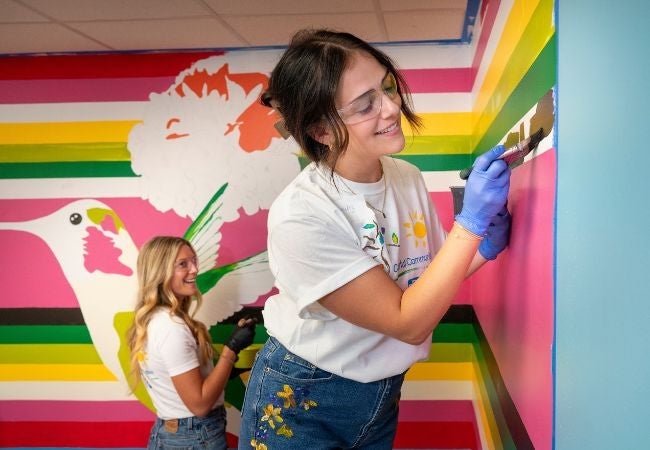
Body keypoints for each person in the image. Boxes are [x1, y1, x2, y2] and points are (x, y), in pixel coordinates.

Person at [239, 29, 512, 449]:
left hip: (381, 391)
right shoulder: (301, 216)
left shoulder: (406, 177)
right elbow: (408, 321)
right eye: (366, 104)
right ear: (322, 130)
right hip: (302, 394)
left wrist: (484, 248)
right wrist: (470, 226)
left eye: (386, 86)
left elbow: (425, 283)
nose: (392, 106)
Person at [127, 236, 257, 450]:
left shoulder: (156, 320)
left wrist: (228, 365)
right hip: (194, 437)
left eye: (194, 261)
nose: (195, 269)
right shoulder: (172, 328)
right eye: (183, 264)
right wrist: (230, 350)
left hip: (174, 433)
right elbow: (199, 405)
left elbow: (184, 380)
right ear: (160, 272)